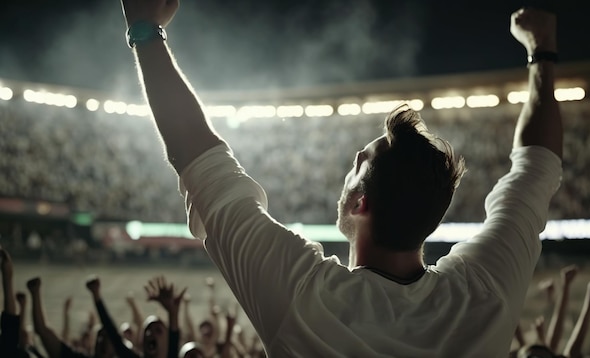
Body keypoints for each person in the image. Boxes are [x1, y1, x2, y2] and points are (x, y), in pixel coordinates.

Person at [118, 0, 563, 355]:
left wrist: (144, 26)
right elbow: (537, 168)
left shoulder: (307, 300)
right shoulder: (483, 293)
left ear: (359, 203)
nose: (352, 159)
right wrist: (542, 51)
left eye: (359, 163)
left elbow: (201, 161)